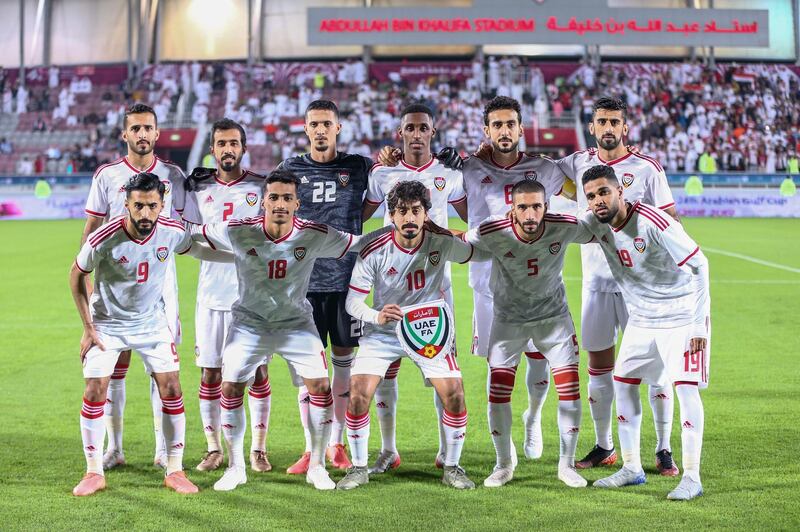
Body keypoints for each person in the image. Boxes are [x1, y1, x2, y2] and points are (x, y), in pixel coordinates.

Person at [190, 169, 389, 492]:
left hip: (296, 323)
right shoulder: (238, 230)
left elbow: (357, 243)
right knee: (230, 388)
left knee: (321, 388)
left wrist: (402, 230)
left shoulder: (313, 232)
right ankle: (236, 467)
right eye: (273, 198)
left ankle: (317, 466)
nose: (279, 204)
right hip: (249, 324)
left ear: (297, 203)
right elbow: (194, 233)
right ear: (263, 202)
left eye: (286, 198)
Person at [69, 172, 223, 497]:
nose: (145, 214)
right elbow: (76, 273)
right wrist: (87, 327)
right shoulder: (104, 238)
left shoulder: (170, 231)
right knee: (96, 388)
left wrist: (240, 256)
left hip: (151, 323)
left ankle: (175, 469)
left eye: (152, 206)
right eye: (138, 206)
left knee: (171, 386)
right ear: (126, 204)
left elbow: (197, 248)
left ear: (162, 204)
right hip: (108, 323)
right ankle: (93, 471)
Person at [557, 96, 681, 474]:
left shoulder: (646, 168)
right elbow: (531, 168)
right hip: (595, 284)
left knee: (656, 370)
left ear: (625, 127)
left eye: (615, 122)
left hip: (639, 289)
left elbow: (671, 221)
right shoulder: (577, 164)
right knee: (598, 366)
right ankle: (604, 445)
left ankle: (663, 448)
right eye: (601, 122)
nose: (608, 128)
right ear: (591, 127)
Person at [81, 103, 200, 472]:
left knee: (160, 365)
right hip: (115, 283)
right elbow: (89, 238)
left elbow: (193, 228)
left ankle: (164, 450)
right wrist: (87, 318)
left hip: (161, 282)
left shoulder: (174, 175)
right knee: (115, 367)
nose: (143, 134)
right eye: (136, 129)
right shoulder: (107, 175)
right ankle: (114, 448)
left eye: (148, 128)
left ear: (157, 132)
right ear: (125, 134)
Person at [580, 165, 710, 501]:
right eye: (591, 196)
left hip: (681, 316)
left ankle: (692, 476)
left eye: (603, 192)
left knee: (685, 390)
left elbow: (700, 264)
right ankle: (632, 467)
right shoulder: (596, 223)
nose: (598, 201)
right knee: (622, 383)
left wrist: (698, 325)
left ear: (620, 191)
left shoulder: (653, 221)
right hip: (641, 319)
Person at [338, 181, 478, 491]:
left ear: (426, 213)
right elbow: (352, 301)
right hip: (383, 330)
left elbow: (471, 253)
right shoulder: (374, 248)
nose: (409, 218)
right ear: (391, 215)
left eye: (416, 211)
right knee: (359, 391)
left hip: (427, 328)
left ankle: (452, 467)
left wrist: (444, 231)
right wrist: (377, 315)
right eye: (402, 212)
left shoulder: (440, 241)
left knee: (454, 394)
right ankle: (359, 467)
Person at [461, 96, 571, 461]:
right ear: (486, 131)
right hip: (489, 282)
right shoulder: (470, 168)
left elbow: (582, 189)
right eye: (497, 125)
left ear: (521, 128)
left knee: (539, 358)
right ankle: (503, 447)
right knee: (499, 364)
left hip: (537, 281)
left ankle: (534, 417)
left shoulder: (545, 168)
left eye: (510, 124)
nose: (504, 131)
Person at [463, 180, 591, 489]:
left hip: (554, 320)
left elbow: (603, 230)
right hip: (508, 321)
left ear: (547, 206)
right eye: (523, 207)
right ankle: (504, 463)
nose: (531, 214)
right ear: (513, 210)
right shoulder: (492, 231)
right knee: (497, 396)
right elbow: (460, 246)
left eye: (537, 206)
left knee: (570, 392)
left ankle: (566, 465)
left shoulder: (565, 225)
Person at [362, 102, 467, 473]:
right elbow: (359, 218)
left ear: (432, 132)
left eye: (424, 128)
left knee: (444, 371)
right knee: (385, 368)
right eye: (411, 128)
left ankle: (446, 452)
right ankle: (388, 450)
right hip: (390, 284)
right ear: (401, 133)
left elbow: (473, 220)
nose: (417, 134)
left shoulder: (449, 174)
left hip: (437, 289)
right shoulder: (382, 174)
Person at [278, 100, 372, 474]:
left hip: (348, 284)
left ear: (338, 128)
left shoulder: (358, 166)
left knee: (343, 370)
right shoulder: (290, 168)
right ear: (305, 128)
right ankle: (309, 448)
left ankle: (336, 446)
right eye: (314, 123)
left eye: (326, 124)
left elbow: (389, 182)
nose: (320, 129)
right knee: (307, 372)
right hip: (302, 287)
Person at [185, 118, 272, 474]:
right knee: (210, 374)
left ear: (243, 147)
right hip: (210, 297)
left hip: (252, 296)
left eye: (233, 143)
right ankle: (213, 448)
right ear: (212, 149)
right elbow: (189, 237)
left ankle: (259, 448)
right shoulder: (197, 189)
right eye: (221, 143)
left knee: (259, 373)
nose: (227, 149)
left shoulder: (260, 186)